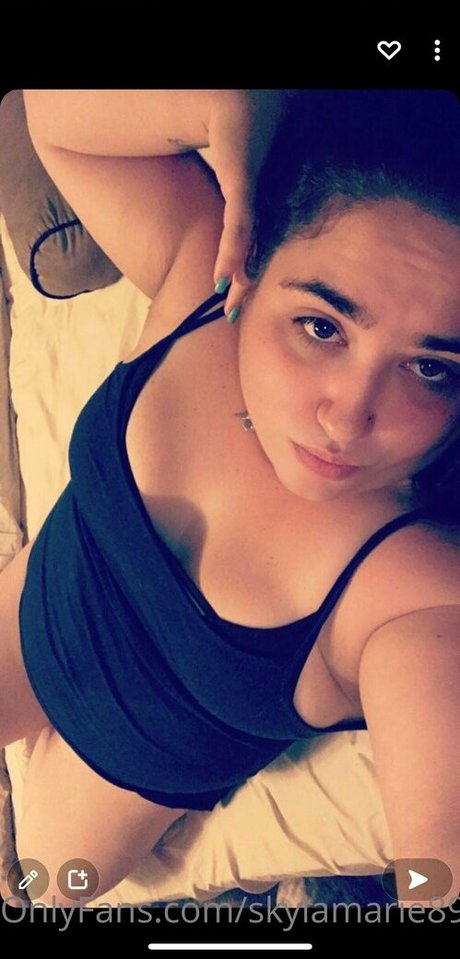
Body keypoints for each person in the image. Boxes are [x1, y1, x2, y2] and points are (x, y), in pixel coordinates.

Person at [1, 89, 459, 909]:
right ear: (251, 255)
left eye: (431, 368)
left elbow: (442, 856)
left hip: (127, 762)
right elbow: (51, 119)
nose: (348, 417)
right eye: (322, 326)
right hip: (40, 597)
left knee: (44, 884)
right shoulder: (202, 280)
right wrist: (220, 107)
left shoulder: (413, 595)